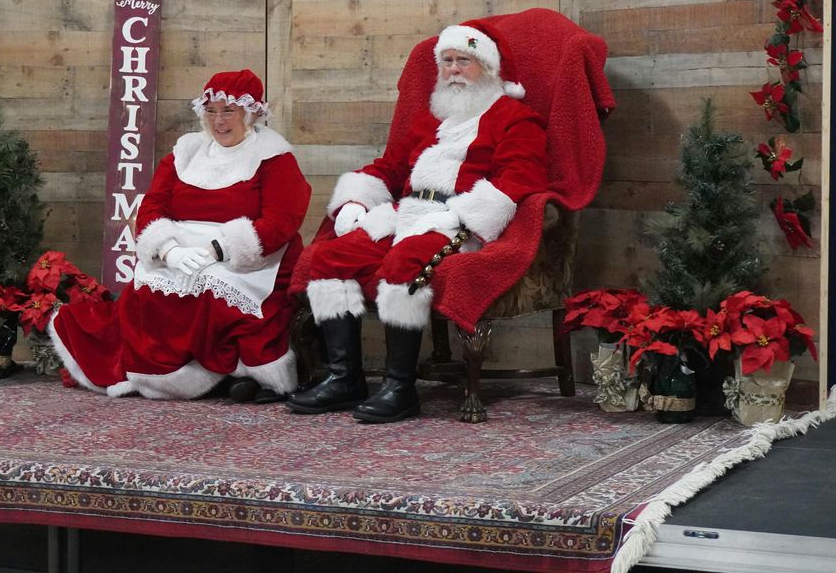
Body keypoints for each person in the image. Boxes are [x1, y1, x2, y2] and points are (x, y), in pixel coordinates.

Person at [289, 21, 548, 423]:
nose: (454, 70)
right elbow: (390, 166)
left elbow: (519, 178)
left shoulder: (515, 119)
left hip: (454, 220)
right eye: (447, 62)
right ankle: (344, 379)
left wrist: (461, 214)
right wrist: (356, 200)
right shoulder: (431, 119)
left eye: (464, 61)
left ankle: (400, 387)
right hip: (405, 213)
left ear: (488, 68)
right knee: (329, 258)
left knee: (404, 262)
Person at [50, 70, 311, 403]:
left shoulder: (275, 157)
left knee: (212, 292)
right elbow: (153, 205)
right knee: (147, 288)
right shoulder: (186, 152)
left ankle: (231, 370)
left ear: (250, 112)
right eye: (211, 111)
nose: (219, 120)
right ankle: (171, 374)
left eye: (228, 111)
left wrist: (219, 250)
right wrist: (168, 251)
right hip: (182, 249)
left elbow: (281, 220)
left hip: (249, 257)